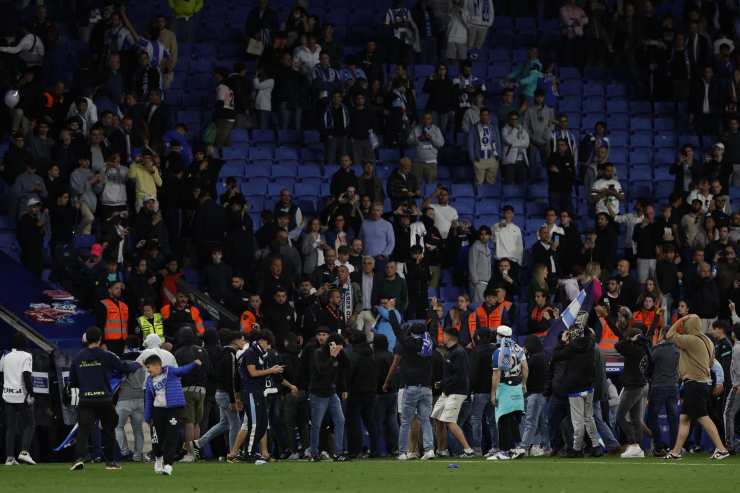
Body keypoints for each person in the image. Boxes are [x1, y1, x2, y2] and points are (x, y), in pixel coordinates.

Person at [69, 327, 140, 471]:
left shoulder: (77, 358)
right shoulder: (106, 355)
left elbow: (73, 382)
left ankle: (79, 459)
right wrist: (137, 364)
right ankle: (110, 462)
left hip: (86, 400)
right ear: (100, 339)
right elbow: (123, 367)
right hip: (103, 399)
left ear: (86, 340)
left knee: (83, 430)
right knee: (109, 429)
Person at [664, 314, 730, 459]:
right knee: (684, 419)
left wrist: (679, 320)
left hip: (694, 384)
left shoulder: (691, 340)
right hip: (702, 383)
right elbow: (712, 363)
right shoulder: (708, 341)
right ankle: (676, 452)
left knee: (703, 417)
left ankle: (722, 449)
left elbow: (669, 335)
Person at [227, 330, 283, 464]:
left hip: (259, 391)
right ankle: (249, 453)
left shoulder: (260, 353)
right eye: (267, 344)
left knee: (261, 423)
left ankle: (248, 452)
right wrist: (271, 370)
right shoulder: (251, 352)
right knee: (254, 424)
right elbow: (252, 373)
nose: (268, 347)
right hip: (251, 392)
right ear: (262, 340)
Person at [143, 354, 202, 476]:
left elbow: (183, 370)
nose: (148, 370)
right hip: (158, 411)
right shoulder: (149, 380)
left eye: (149, 367)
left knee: (172, 437)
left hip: (173, 410)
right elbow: (148, 399)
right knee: (156, 438)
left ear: (157, 365)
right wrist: (147, 416)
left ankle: (168, 465)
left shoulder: (170, 371)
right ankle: (158, 458)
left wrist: (194, 364)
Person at [551, 322, 603, 458]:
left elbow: (556, 356)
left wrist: (562, 342)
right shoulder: (591, 343)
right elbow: (589, 334)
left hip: (575, 389)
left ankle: (577, 449)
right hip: (589, 387)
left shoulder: (571, 348)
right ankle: (596, 446)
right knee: (589, 418)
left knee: (578, 421)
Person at [194, 331, 246, 456]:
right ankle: (234, 452)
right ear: (235, 341)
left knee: (224, 423)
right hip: (226, 394)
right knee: (235, 424)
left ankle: (198, 443)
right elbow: (231, 380)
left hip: (219, 392)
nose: (244, 342)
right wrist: (234, 400)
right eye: (242, 339)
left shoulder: (222, 354)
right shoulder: (231, 356)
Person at [391, 322, 436, 461]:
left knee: (405, 421)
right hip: (426, 388)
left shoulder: (408, 344)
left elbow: (398, 333)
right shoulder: (429, 343)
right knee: (425, 420)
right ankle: (429, 450)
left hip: (411, 387)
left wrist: (392, 314)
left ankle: (403, 452)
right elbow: (433, 329)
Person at [432, 327, 475, 458]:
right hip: (447, 391)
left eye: (444, 335)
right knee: (437, 417)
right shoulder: (451, 352)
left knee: (449, 421)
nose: (442, 337)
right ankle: (441, 449)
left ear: (449, 337)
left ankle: (468, 450)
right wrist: (442, 383)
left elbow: (460, 375)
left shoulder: (459, 352)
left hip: (456, 392)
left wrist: (445, 384)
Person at [488, 325, 528, 460]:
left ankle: (504, 451)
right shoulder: (519, 349)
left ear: (499, 336)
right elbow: (525, 368)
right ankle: (517, 447)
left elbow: (496, 375)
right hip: (517, 386)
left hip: (504, 386)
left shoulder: (499, 352)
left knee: (503, 419)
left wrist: (493, 394)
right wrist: (523, 384)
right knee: (513, 419)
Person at [308, 332, 350, 461]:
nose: (340, 348)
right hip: (318, 393)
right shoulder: (318, 353)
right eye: (339, 346)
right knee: (316, 424)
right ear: (331, 344)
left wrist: (339, 353)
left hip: (331, 393)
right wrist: (332, 357)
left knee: (340, 420)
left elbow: (346, 366)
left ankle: (338, 452)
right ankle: (314, 453)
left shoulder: (338, 354)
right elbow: (322, 370)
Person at [614, 327, 651, 458]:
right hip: (640, 385)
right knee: (636, 419)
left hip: (632, 387)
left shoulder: (634, 350)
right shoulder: (644, 348)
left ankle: (633, 444)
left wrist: (629, 339)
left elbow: (618, 345)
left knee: (620, 416)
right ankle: (639, 449)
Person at [1, 333, 36, 466]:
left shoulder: (6, 356)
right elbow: (26, 375)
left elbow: (1, 374)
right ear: (24, 343)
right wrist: (31, 393)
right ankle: (24, 452)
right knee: (30, 424)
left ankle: (9, 458)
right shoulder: (27, 356)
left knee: (10, 427)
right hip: (21, 396)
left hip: (8, 395)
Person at [647, 326, 680, 457]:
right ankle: (674, 448)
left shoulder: (657, 350)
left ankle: (659, 446)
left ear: (662, 335)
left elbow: (649, 367)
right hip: (673, 386)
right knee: (673, 419)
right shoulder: (677, 351)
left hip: (659, 386)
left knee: (651, 418)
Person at [519, 334, 549, 456]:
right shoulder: (541, 356)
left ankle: (524, 447)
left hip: (535, 394)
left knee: (530, 421)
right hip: (540, 394)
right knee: (542, 422)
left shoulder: (535, 358)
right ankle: (546, 446)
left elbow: (526, 372)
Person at [407, 112, 444, 184]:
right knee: (416, 187)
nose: (426, 120)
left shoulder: (436, 130)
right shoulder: (416, 129)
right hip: (417, 163)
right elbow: (409, 142)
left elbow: (441, 144)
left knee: (430, 187)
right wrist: (418, 139)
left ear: (431, 120)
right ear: (422, 120)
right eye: (425, 118)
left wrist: (431, 138)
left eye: (428, 119)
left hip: (431, 163)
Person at [95, 281, 129, 355]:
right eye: (116, 288)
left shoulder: (124, 305)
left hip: (122, 342)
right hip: (109, 343)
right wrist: (102, 343)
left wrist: (127, 342)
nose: (119, 290)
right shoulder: (103, 304)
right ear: (109, 290)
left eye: (120, 288)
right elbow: (100, 325)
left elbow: (126, 325)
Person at [723, 322, 740, 453]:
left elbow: (739, 369)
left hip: (738, 386)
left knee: (728, 414)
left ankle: (730, 445)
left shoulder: (737, 349)